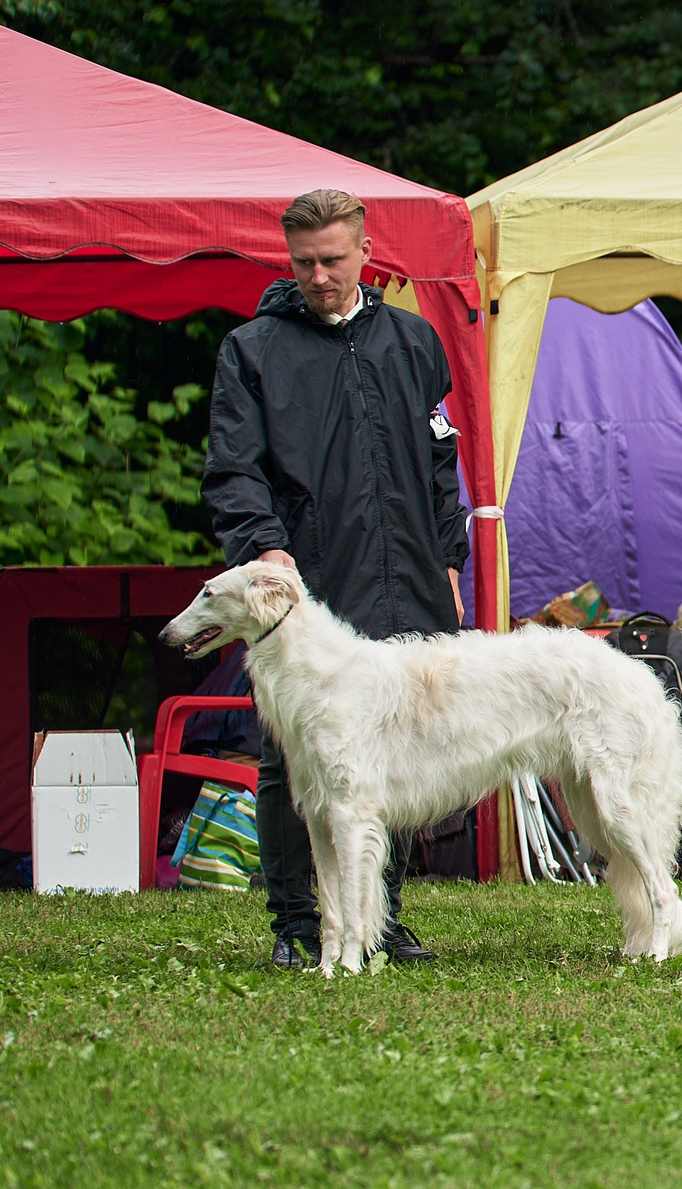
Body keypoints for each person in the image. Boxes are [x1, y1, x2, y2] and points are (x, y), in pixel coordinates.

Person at [200, 190, 468, 971]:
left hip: (410, 571)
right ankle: (294, 921)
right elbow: (233, 473)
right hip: (307, 587)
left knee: (394, 749)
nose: (318, 275)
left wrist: (448, 557)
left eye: (332, 260)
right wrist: (263, 547)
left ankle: (378, 920)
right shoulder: (252, 350)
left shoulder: (414, 341)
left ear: (365, 252)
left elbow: (439, 461)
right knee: (296, 760)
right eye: (304, 262)